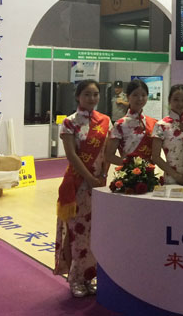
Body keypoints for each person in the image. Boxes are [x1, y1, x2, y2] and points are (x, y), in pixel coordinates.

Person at [54, 80, 110, 297]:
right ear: (78, 96)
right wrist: (89, 178)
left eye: (95, 94)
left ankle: (92, 276)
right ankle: (76, 278)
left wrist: (103, 176)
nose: (92, 98)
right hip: (77, 185)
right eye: (87, 94)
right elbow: (71, 155)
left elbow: (107, 153)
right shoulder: (69, 122)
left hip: (99, 185)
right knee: (78, 233)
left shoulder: (105, 121)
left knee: (97, 232)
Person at [150, 84, 183, 185]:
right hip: (171, 178)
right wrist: (176, 175)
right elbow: (155, 156)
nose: (180, 103)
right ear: (169, 100)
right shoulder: (161, 125)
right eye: (176, 99)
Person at [105, 79, 157, 165]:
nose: (140, 98)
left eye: (143, 95)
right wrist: (130, 167)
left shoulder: (153, 123)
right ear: (128, 96)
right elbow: (109, 155)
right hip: (128, 172)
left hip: (149, 171)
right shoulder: (120, 124)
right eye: (135, 95)